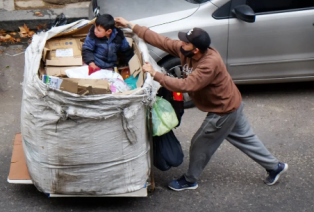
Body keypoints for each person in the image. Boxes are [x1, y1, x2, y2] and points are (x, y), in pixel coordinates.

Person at [115, 17, 288, 191]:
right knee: (247, 139)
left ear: (196, 49)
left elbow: (186, 85)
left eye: (186, 42)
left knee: (200, 144)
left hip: (223, 110)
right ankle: (275, 167)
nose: (181, 43)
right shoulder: (186, 50)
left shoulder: (209, 64)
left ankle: (190, 180)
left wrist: (155, 74)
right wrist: (131, 25)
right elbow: (163, 41)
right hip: (232, 103)